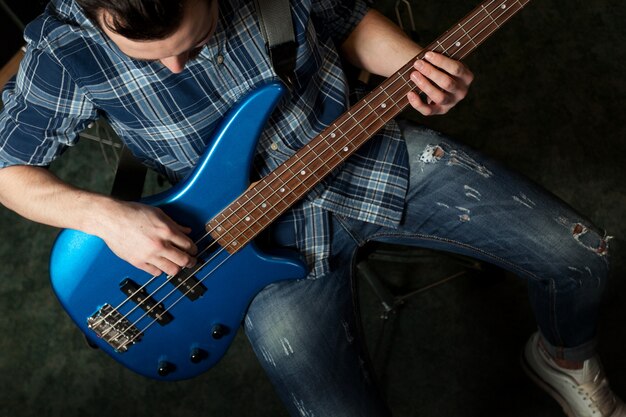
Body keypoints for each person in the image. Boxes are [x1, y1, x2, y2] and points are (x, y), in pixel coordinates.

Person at [0, 0, 623, 416]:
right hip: (232, 245)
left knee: (582, 256)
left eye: (192, 42)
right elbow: (8, 172)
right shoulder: (62, 48)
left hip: (363, 152)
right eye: (153, 57)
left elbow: (348, 21)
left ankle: (561, 358)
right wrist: (107, 217)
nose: (172, 66)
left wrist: (415, 67)